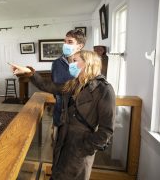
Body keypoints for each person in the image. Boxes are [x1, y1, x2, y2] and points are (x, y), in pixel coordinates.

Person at [9, 50, 116, 180]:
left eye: (75, 61)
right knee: (57, 174)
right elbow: (47, 85)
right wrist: (29, 72)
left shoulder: (104, 89)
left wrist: (85, 147)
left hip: (81, 146)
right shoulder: (75, 83)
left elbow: (106, 131)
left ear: (87, 63)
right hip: (63, 138)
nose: (71, 64)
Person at [51, 29, 86, 142]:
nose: (65, 44)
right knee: (57, 146)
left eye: (70, 42)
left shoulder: (88, 63)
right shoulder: (56, 63)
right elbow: (54, 88)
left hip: (81, 117)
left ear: (80, 46)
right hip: (60, 114)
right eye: (64, 41)